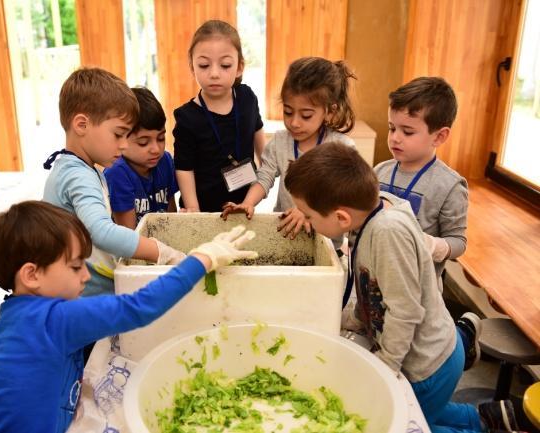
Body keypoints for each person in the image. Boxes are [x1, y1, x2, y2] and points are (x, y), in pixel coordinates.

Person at [284, 142, 524, 433]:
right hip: (434, 354)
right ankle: (487, 420)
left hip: (424, 365)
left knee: (413, 424)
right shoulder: (374, 207)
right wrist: (354, 318)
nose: (306, 221)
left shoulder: (386, 233)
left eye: (308, 215)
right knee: (432, 410)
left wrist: (384, 366)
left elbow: (405, 310)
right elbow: (373, 286)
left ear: (341, 217)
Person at [0, 200, 257, 433]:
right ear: (32, 274)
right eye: (76, 267)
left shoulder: (6, 320)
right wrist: (201, 259)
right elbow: (137, 307)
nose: (86, 276)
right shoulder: (58, 319)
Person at [43, 67, 183, 296]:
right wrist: (163, 252)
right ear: (81, 125)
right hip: (83, 299)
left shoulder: (82, 169)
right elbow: (101, 231)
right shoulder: (77, 176)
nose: (124, 145)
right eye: (118, 135)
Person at [376, 77, 479, 370]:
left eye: (407, 131)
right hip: (379, 280)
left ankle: (462, 338)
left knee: (413, 362)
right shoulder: (380, 172)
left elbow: (459, 244)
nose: (395, 138)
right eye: (392, 128)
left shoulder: (449, 185)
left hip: (419, 291)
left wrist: (432, 245)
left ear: (439, 136)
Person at [222, 56, 356, 239]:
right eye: (288, 112)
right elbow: (264, 176)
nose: (294, 123)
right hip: (285, 234)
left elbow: (345, 198)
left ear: (330, 112)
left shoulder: (342, 148)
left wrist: (308, 212)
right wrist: (248, 202)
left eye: (306, 115)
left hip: (324, 239)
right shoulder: (280, 142)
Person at [173, 19, 265, 212]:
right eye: (204, 65)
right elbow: (184, 168)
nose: (214, 73)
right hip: (204, 209)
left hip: (243, 205)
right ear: (192, 67)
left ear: (239, 67)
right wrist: (193, 209)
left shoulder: (247, 98)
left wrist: (266, 176)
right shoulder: (187, 117)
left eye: (225, 65)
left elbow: (261, 145)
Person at [104, 87, 178, 229]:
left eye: (161, 138)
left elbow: (171, 216)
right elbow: (128, 237)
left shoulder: (165, 161)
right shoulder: (117, 173)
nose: (156, 149)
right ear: (121, 137)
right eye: (143, 142)